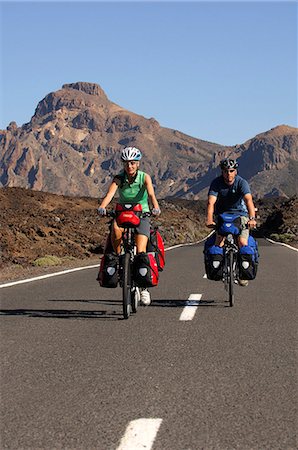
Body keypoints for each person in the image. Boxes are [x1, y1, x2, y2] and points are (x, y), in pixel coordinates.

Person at [98, 146, 161, 305]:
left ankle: (145, 288)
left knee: (141, 251)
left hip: (142, 214)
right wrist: (102, 207)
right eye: (126, 163)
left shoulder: (144, 177)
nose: (129, 166)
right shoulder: (119, 178)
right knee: (115, 229)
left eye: (133, 163)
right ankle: (121, 259)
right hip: (122, 213)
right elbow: (110, 194)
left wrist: (155, 207)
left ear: (138, 163)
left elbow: (151, 194)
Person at [206, 157, 257, 286]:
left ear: (236, 171)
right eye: (225, 171)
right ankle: (218, 268)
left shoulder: (241, 183)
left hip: (240, 214)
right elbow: (211, 202)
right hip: (222, 215)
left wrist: (252, 219)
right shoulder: (216, 183)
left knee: (242, 242)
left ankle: (242, 273)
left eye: (231, 171)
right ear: (222, 172)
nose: (228, 174)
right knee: (219, 242)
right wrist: (209, 219)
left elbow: (248, 201)